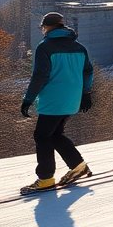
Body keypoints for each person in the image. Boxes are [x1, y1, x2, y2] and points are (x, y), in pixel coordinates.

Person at [20, 12, 94, 194]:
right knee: (54, 134)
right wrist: (86, 93)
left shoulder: (44, 47)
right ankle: (78, 166)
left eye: (43, 27)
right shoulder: (79, 47)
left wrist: (28, 99)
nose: (43, 30)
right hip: (72, 99)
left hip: (53, 100)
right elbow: (88, 71)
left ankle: (45, 179)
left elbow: (40, 76)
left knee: (42, 136)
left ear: (50, 27)